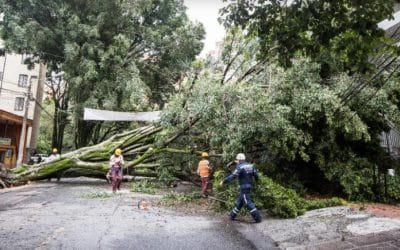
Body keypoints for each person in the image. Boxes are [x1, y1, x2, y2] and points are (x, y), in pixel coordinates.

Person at [220, 153, 262, 223]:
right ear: (244, 159)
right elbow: (256, 176)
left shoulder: (240, 167)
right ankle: (232, 215)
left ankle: (258, 218)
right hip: (249, 186)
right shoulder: (251, 165)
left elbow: (233, 176)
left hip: (244, 187)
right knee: (240, 202)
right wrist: (257, 183)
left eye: (237, 160)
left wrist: (224, 181)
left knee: (247, 202)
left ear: (238, 160)